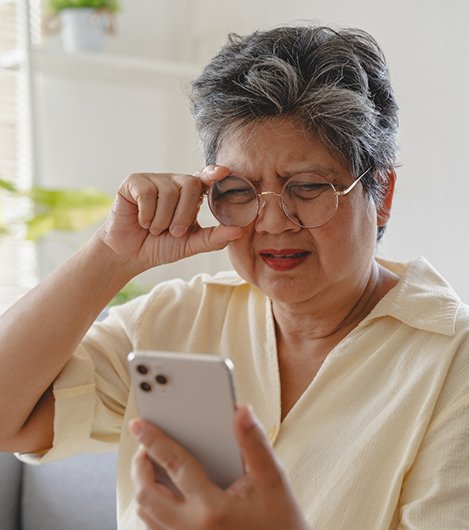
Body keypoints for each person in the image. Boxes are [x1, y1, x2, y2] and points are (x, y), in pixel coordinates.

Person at [0, 24, 468, 530]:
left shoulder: (451, 360)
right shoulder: (175, 319)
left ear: (381, 192)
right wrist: (110, 256)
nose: (271, 221)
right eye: (240, 190)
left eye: (308, 186)